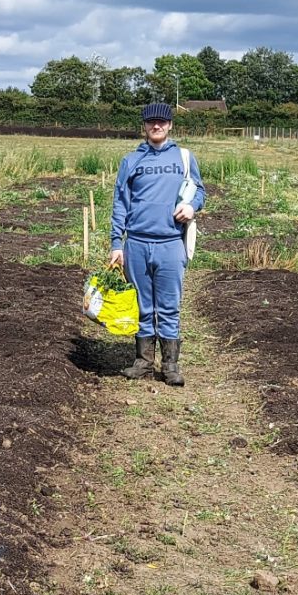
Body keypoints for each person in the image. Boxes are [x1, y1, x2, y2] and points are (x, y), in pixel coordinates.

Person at [110, 101, 204, 385]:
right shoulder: (131, 161)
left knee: (169, 304)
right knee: (142, 305)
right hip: (136, 243)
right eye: (151, 121)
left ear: (170, 124)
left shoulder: (184, 157)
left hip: (171, 243)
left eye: (161, 122)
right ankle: (143, 361)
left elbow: (199, 191)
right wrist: (117, 243)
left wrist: (192, 207)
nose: (156, 126)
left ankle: (171, 365)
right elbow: (120, 204)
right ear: (144, 125)